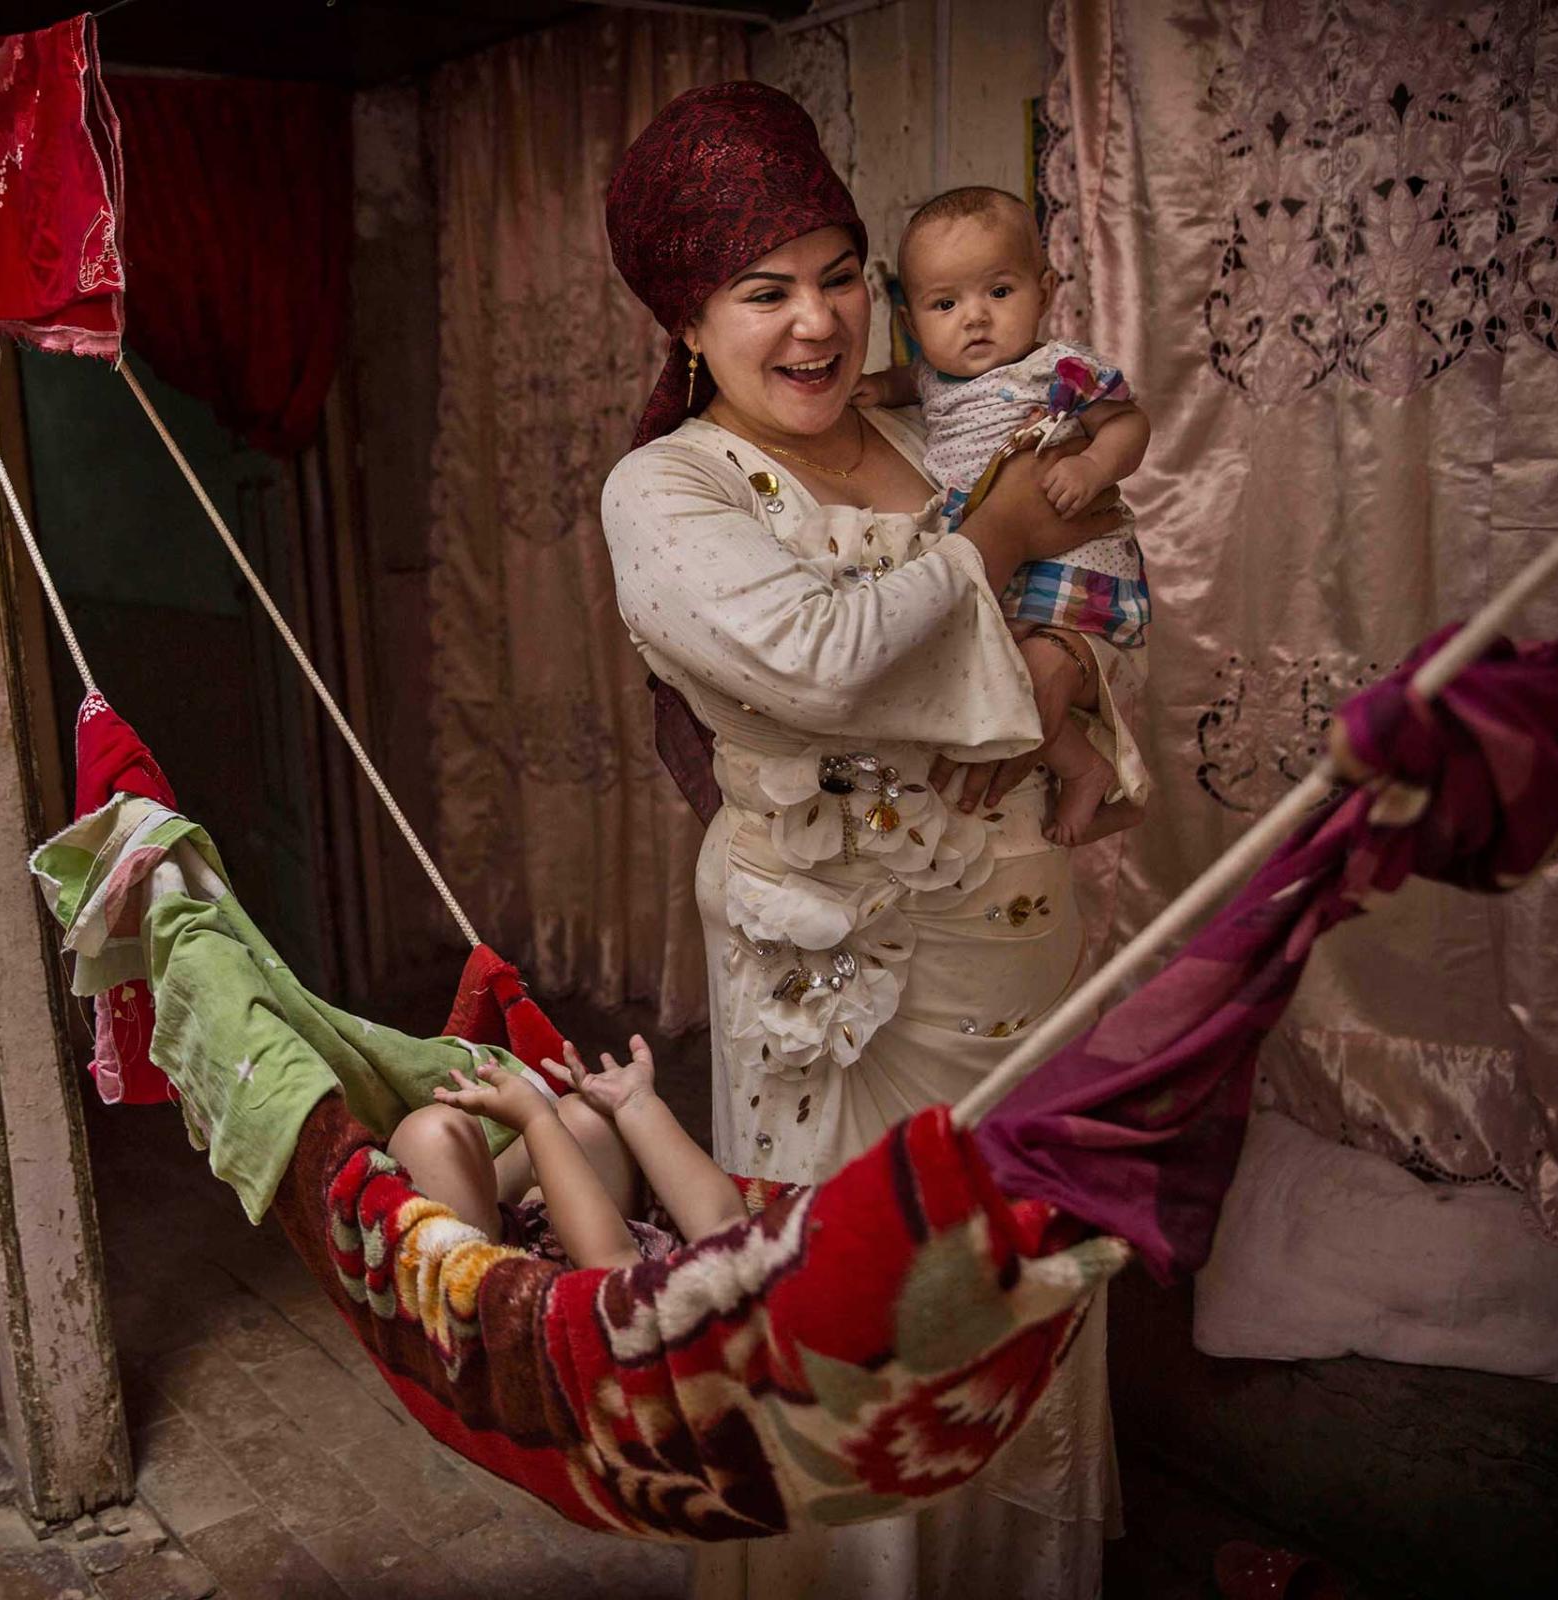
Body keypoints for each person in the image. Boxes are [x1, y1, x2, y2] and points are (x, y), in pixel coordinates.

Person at [601, 85, 1149, 1598]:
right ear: (688, 318)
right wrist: (999, 545)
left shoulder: (933, 423)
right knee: (851, 1307)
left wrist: (1070, 684)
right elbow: (813, 658)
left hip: (1016, 935)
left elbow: (1093, 580)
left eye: (843, 275)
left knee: (1013, 1280)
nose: (819, 322)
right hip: (834, 974)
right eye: (763, 289)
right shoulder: (671, 488)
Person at [857, 185, 1152, 844]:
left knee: (1012, 672)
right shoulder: (934, 377)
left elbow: (1129, 422)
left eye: (999, 292)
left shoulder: (1055, 369)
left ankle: (1086, 775)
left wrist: (1096, 465)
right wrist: (879, 387)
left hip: (1070, 553)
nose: (975, 319)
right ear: (910, 322)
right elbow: (910, 384)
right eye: (945, 303)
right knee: (997, 674)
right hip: (1005, 557)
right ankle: (1089, 767)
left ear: (1045, 291)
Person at [391, 1039, 746, 1271]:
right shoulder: (756, 1283)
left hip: (527, 1300)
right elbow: (728, 1228)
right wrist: (635, 1101)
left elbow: (613, 1269)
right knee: (585, 1119)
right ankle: (500, 1198)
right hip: (592, 1241)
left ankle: (487, 1205)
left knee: (431, 1135)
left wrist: (536, 1120)